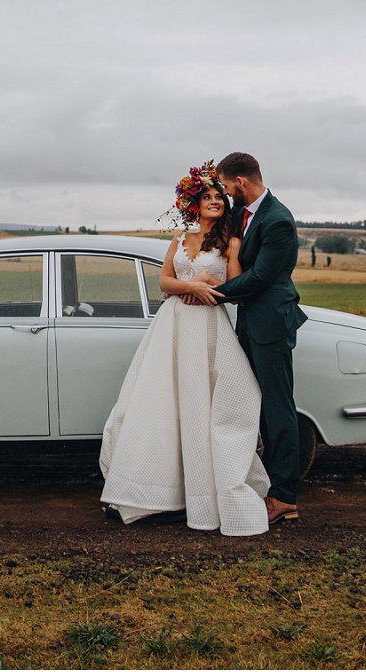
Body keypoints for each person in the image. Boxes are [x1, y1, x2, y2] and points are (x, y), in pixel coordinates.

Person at [99, 161, 270, 536]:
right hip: (172, 327)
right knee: (162, 404)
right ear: (193, 204)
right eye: (206, 197)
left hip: (208, 328)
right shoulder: (179, 239)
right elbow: (164, 283)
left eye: (219, 198)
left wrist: (211, 281)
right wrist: (193, 285)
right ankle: (155, 491)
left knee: (201, 406)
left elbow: (236, 292)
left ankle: (202, 497)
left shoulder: (231, 244)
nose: (214, 202)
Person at [202, 152, 307, 525]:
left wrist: (216, 291)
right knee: (253, 404)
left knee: (278, 408)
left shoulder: (277, 220)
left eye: (228, 187)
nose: (227, 194)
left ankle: (283, 497)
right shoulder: (243, 213)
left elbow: (261, 277)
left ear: (242, 183)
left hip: (271, 325)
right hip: (250, 322)